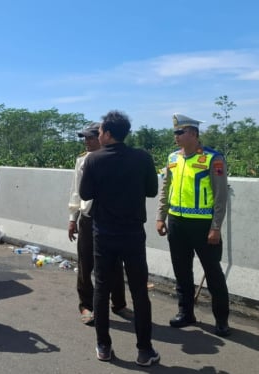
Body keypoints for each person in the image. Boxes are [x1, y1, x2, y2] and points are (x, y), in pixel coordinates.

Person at [79, 111, 160, 366]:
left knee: (102, 290)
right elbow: (152, 190)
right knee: (139, 292)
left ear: (109, 134)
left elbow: (86, 193)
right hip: (133, 234)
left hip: (104, 234)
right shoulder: (142, 158)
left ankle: (104, 346)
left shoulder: (93, 160)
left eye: (101, 131)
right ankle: (144, 350)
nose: (98, 134)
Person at [156, 113, 231, 337]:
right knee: (182, 272)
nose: (176, 136)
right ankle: (186, 312)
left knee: (213, 273)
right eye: (175, 132)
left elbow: (220, 196)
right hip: (177, 223)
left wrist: (216, 227)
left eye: (180, 132)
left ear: (194, 134)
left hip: (203, 225)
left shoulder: (212, 158)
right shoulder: (172, 158)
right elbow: (165, 190)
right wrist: (161, 216)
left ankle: (221, 319)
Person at [68, 123, 130, 326]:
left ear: (102, 138)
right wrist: (72, 219)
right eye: (84, 138)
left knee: (114, 263)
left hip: (111, 218)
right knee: (85, 263)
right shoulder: (82, 161)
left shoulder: (114, 159)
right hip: (88, 218)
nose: (86, 141)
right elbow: (76, 191)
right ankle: (86, 305)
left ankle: (119, 303)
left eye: (90, 137)